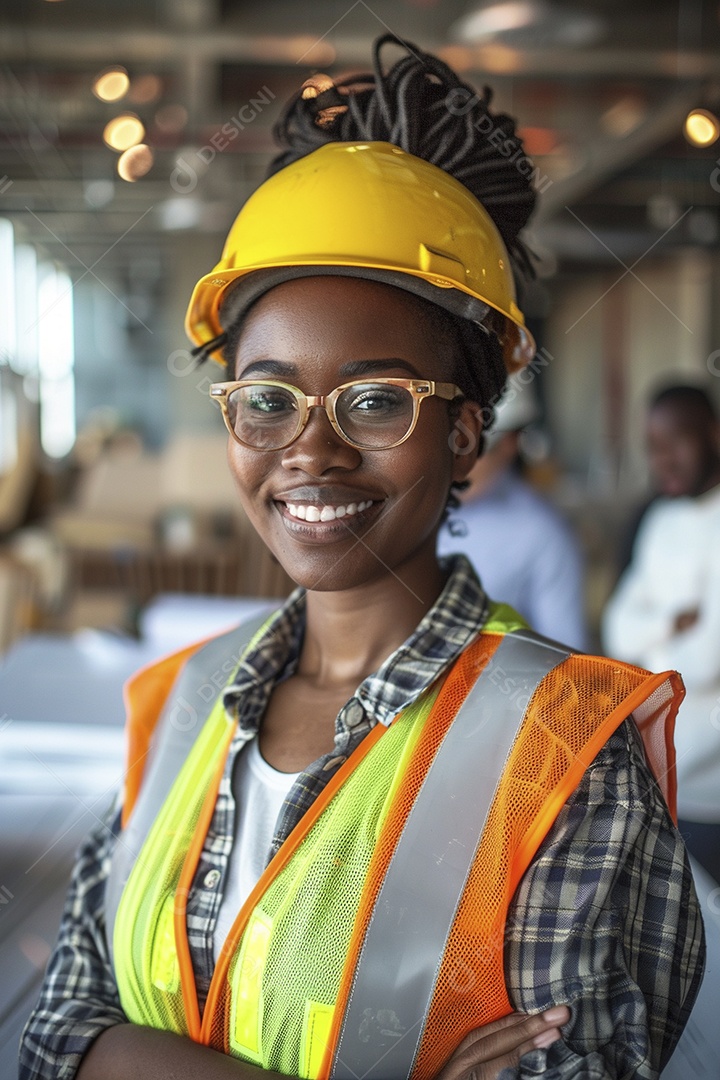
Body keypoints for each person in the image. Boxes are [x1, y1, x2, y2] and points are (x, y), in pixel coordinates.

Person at [20, 36, 703, 1080]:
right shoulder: (178, 703)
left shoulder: (566, 759)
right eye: (267, 400)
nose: (310, 449)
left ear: (466, 432)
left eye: (378, 400)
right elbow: (57, 1028)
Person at [603, 382, 720, 882]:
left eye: (677, 442)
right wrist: (673, 622)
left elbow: (704, 662)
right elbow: (616, 629)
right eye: (653, 446)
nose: (663, 460)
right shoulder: (659, 519)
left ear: (714, 435)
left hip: (710, 790)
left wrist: (652, 639)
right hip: (655, 778)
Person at [438, 377, 587, 650]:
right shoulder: (410, 505)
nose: (458, 462)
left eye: (473, 448)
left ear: (510, 443)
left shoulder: (541, 532)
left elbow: (565, 658)